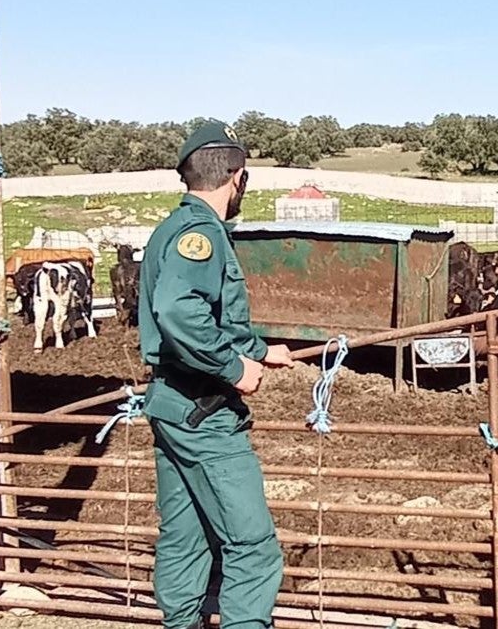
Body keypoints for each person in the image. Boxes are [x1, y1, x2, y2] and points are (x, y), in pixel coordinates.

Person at [138, 120, 294, 629]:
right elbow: (179, 310)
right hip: (205, 413)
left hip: (171, 404)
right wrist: (233, 368)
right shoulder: (201, 235)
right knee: (253, 549)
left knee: (186, 536)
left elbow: (209, 314)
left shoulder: (169, 228)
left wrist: (260, 350)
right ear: (237, 175)